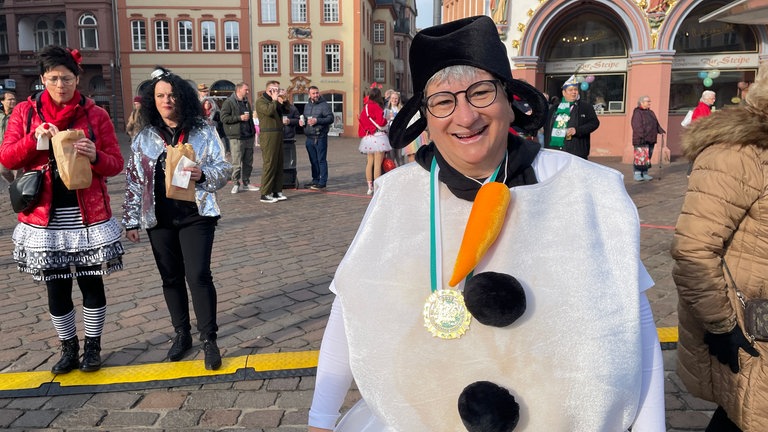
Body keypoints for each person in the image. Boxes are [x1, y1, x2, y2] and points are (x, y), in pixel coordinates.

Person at [308, 16, 665, 431]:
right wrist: (320, 418)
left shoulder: (583, 189)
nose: (465, 117)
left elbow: (633, 321)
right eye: (443, 101)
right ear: (425, 115)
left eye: (481, 93)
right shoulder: (397, 195)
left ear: (509, 98)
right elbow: (351, 307)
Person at [0, 46, 125, 374]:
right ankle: (68, 348)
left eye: (66, 78)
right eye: (53, 78)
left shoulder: (96, 115)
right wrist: (33, 139)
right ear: (43, 79)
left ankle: (93, 347)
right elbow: (8, 157)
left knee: (91, 285)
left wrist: (95, 154)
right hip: (45, 219)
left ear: (77, 78)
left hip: (87, 217)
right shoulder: (25, 114)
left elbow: (115, 164)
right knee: (57, 289)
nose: (60, 84)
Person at [671, 64, 768, 432]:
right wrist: (721, 325)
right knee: (745, 415)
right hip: (752, 334)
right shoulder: (740, 153)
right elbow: (693, 250)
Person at [122, 66, 232, 371]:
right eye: (160, 96)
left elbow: (224, 169)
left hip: (196, 215)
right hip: (159, 218)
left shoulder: (203, 130)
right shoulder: (144, 136)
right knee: (170, 278)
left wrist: (204, 174)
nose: (166, 100)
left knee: (197, 275)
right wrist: (131, 221)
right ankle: (181, 334)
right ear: (152, 101)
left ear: (182, 98)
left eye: (171, 95)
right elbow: (133, 179)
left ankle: (209, 338)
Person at [544, 75, 600, 159]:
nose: (574, 92)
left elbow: (594, 123)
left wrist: (577, 130)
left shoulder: (585, 107)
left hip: (576, 152)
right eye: (570, 90)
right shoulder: (554, 108)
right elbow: (547, 127)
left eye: (575, 90)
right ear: (564, 92)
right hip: (556, 151)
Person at [220, 82, 259, 194]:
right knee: (236, 162)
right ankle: (236, 183)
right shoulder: (229, 102)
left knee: (248, 162)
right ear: (239, 90)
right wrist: (239, 117)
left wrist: (253, 132)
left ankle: (246, 182)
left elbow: (250, 118)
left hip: (248, 136)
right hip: (237, 137)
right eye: (246, 90)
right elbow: (223, 118)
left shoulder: (246, 102)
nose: (247, 92)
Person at [255, 80, 290, 203]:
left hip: (278, 133)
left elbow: (287, 111)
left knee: (279, 163)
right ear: (268, 90)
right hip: (268, 134)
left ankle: (276, 191)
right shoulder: (261, 101)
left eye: (278, 89)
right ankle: (265, 193)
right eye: (274, 89)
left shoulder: (275, 101)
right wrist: (275, 100)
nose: (276, 92)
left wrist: (285, 100)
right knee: (269, 164)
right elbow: (269, 111)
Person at [357, 87, 391, 195]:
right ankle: (377, 187)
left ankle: (370, 187)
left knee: (369, 163)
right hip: (378, 137)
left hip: (368, 138)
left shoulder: (365, 108)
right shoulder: (377, 107)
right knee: (377, 164)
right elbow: (381, 123)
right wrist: (387, 120)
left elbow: (362, 123)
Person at [300, 86, 333, 190]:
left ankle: (322, 181)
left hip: (320, 137)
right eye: (313, 93)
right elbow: (305, 118)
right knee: (313, 160)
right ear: (309, 95)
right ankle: (315, 180)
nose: (316, 95)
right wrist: (302, 122)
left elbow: (330, 118)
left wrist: (317, 120)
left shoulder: (324, 105)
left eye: (317, 93)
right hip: (309, 137)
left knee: (321, 160)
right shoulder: (307, 105)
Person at [631, 96, 666, 182]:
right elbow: (636, 126)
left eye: (649, 101)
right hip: (641, 139)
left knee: (647, 156)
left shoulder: (651, 112)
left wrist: (660, 130)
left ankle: (645, 173)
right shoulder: (637, 112)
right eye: (647, 101)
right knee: (640, 157)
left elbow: (655, 123)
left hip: (651, 138)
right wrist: (643, 135)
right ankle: (637, 173)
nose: (649, 103)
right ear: (641, 103)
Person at [281, 100, 301, 189]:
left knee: (290, 161)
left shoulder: (292, 108)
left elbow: (298, 120)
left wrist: (290, 121)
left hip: (289, 138)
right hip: (276, 138)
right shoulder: (273, 107)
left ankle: (291, 180)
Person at [0, 90, 18, 182]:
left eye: (14, 99)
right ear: (2, 101)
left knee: (17, 173)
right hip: (2, 150)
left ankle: (19, 191)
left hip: (16, 149)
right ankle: (14, 186)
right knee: (3, 171)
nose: (13, 101)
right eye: (10, 99)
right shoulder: (0, 115)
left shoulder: (18, 113)